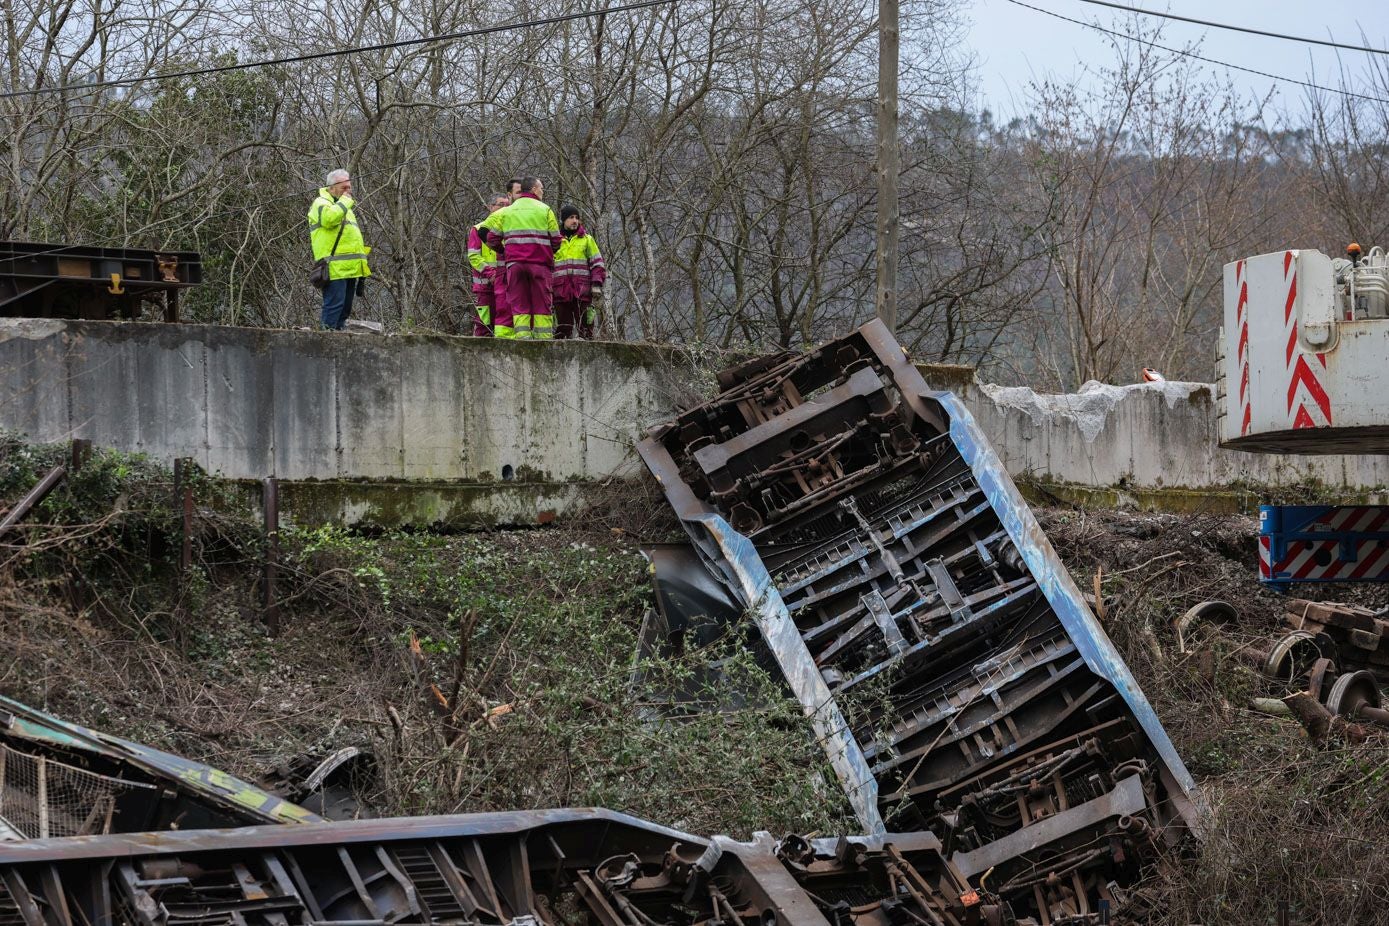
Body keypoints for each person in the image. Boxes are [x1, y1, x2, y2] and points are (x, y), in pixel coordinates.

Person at [480, 177, 561, 340]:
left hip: (515, 266)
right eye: (541, 189)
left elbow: (491, 239)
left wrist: (505, 252)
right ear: (533, 189)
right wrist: (546, 250)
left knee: (519, 302)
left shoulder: (507, 211)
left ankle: (523, 337)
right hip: (540, 265)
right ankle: (543, 339)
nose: (542, 192)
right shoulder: (545, 209)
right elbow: (556, 240)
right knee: (541, 301)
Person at [308, 169, 371, 330]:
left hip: (351, 268)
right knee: (334, 308)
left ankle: (338, 340)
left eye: (349, 187)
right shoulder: (321, 203)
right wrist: (344, 202)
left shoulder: (344, 207)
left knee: (345, 309)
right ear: (331, 187)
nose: (348, 191)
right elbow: (329, 220)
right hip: (334, 268)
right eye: (344, 187)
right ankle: (325, 343)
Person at [552, 205, 606, 339]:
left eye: (577, 218)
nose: (575, 221)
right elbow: (547, 266)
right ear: (563, 220)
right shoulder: (555, 241)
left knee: (586, 330)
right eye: (571, 218)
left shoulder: (587, 240)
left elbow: (598, 264)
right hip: (560, 293)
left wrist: (596, 285)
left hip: (583, 293)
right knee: (562, 331)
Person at [466, 192, 511, 336]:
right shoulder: (479, 229)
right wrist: (490, 273)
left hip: (506, 284)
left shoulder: (510, 229)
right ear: (491, 207)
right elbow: (474, 256)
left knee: (504, 323)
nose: (504, 208)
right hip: (486, 286)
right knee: (484, 324)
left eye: (507, 205)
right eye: (501, 205)